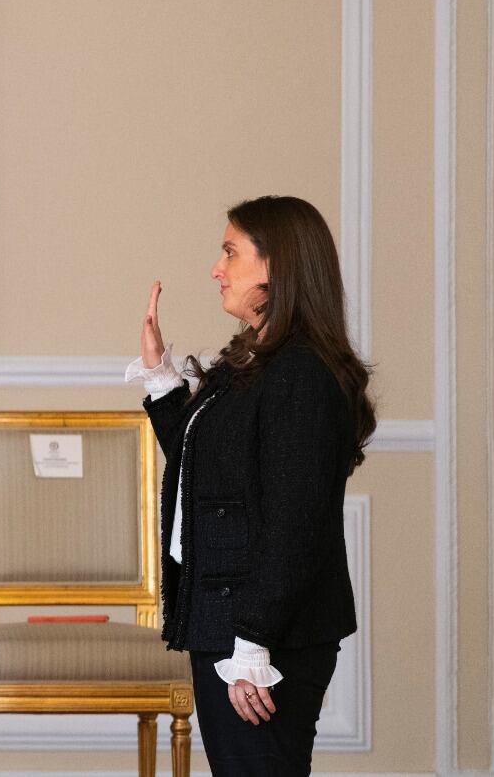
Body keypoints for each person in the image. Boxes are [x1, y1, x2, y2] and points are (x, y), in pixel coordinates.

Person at [126, 195, 375, 775]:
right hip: (233, 627)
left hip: (261, 637)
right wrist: (162, 377)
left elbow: (295, 523)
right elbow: (210, 475)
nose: (217, 268)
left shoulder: (301, 375)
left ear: (276, 267)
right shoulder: (260, 361)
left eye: (230, 252)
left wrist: (253, 644)